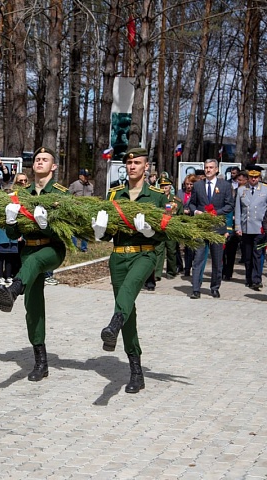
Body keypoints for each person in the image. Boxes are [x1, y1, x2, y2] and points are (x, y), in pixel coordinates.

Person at [92, 147, 168, 393]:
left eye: (137, 162)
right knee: (128, 312)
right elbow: (108, 235)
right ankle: (136, 370)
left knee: (126, 295)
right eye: (129, 162)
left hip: (145, 254)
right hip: (118, 257)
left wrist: (150, 231)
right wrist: (100, 231)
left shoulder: (157, 196)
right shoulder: (115, 195)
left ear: (147, 167)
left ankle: (112, 325)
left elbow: (167, 232)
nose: (132, 166)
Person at [0, 146, 70, 382]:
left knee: (37, 261)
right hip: (28, 248)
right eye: (37, 159)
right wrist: (10, 220)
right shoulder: (21, 194)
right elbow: (12, 231)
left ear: (53, 166)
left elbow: (68, 228)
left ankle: (14, 288)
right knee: (33, 304)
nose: (39, 162)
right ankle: (40, 362)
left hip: (52, 247)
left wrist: (48, 225)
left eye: (45, 159)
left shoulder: (61, 193)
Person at [189, 158, 234, 299]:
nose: (208, 170)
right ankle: (196, 289)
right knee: (198, 259)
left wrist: (217, 212)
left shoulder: (225, 186)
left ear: (216, 169)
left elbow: (229, 205)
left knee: (217, 259)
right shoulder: (198, 186)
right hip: (201, 227)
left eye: (211, 167)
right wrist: (196, 212)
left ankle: (215, 287)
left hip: (217, 227)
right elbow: (192, 204)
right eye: (206, 167)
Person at [234, 165, 267, 290]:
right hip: (246, 227)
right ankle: (248, 278)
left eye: (256, 177)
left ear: (259, 177)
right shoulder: (241, 190)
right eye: (251, 177)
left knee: (257, 254)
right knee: (247, 255)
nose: (253, 179)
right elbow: (238, 209)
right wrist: (238, 227)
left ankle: (257, 279)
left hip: (260, 228)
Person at [151, 174, 182, 283]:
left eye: (166, 187)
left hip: (171, 229)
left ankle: (171, 271)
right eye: (162, 187)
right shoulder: (156, 198)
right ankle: (157, 273)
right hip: (159, 229)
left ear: (170, 187)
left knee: (171, 251)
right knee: (158, 250)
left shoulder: (176, 200)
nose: (164, 189)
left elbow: (180, 214)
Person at [176, 173, 198, 276]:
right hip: (182, 221)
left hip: (193, 221)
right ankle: (183, 266)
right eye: (187, 184)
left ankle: (191, 267)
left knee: (191, 247)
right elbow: (175, 205)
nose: (188, 186)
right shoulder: (180, 193)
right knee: (183, 247)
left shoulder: (196, 193)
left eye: (191, 184)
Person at [69, 168, 93, 252]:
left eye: (88, 176)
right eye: (85, 176)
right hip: (76, 210)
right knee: (74, 229)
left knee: (85, 229)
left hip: (87, 210)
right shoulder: (74, 185)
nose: (87, 178)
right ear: (80, 176)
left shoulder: (90, 185)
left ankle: (84, 248)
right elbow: (68, 196)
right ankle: (74, 247)